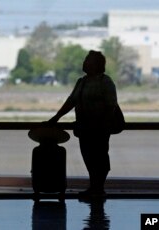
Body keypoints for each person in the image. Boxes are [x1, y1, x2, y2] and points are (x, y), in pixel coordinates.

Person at [48, 50, 118, 198]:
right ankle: (95, 187)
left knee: (99, 158)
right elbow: (71, 101)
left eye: (88, 60)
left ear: (97, 65)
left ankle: (98, 188)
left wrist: (103, 125)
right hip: (84, 128)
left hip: (99, 129)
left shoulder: (105, 82)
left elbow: (111, 105)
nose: (84, 63)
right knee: (89, 157)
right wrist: (56, 118)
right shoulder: (82, 81)